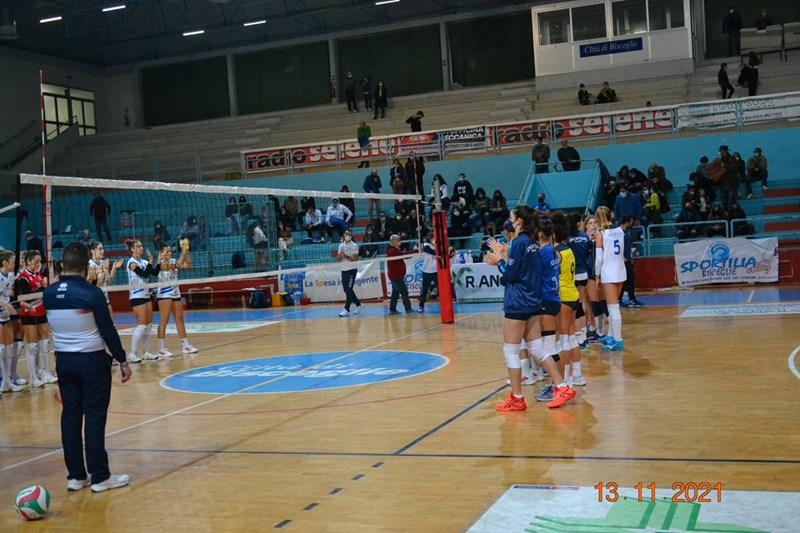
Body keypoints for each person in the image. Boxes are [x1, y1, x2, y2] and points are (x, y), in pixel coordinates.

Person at [43, 242, 131, 493]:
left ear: (62, 264)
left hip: (64, 362)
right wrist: (122, 360)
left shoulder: (48, 293)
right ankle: (100, 477)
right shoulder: (91, 293)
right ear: (85, 266)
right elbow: (107, 330)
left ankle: (76, 476)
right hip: (91, 362)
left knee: (70, 417)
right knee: (94, 416)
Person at [483, 206, 576, 410]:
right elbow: (523, 271)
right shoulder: (534, 243)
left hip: (518, 302)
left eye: (512, 217)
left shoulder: (519, 242)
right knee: (537, 348)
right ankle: (562, 386)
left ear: (519, 221)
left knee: (511, 350)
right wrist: (505, 255)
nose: (509, 221)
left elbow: (510, 275)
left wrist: (499, 261)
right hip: (533, 301)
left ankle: (517, 397)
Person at [15, 250, 55, 387]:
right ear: (28, 261)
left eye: (40, 261)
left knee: (45, 344)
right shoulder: (23, 277)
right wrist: (43, 287)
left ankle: (46, 372)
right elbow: (27, 297)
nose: (39, 264)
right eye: (36, 261)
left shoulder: (38, 275)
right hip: (29, 314)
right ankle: (33, 378)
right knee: (32, 347)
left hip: (41, 312)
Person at [155, 241, 198, 357]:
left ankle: (186, 346)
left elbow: (188, 265)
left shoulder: (174, 260)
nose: (169, 253)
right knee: (164, 320)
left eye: (170, 251)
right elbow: (177, 265)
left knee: (179, 319)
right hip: (164, 294)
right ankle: (161, 348)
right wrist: (182, 252)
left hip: (176, 294)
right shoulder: (160, 264)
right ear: (161, 253)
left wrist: (187, 251)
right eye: (167, 251)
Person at [594, 206, 626, 351]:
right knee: (615, 306)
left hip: (608, 272)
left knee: (613, 308)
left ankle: (617, 340)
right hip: (620, 270)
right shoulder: (620, 230)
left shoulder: (600, 233)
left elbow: (599, 259)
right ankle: (611, 335)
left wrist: (597, 275)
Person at [125, 239, 160, 363]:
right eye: (138, 246)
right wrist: (150, 262)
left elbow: (155, 273)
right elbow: (144, 274)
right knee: (142, 325)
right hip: (136, 296)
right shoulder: (131, 263)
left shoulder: (144, 262)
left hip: (145, 295)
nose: (141, 248)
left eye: (141, 246)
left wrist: (157, 260)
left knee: (149, 325)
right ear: (132, 249)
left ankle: (146, 351)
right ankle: (133, 353)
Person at [0, 250, 23, 394]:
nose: (15, 264)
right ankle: (3, 382)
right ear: (4, 262)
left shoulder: (10, 276)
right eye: (13, 262)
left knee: (9, 351)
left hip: (6, 315)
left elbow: (9, 296)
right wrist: (5, 304)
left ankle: (7, 382)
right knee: (1, 350)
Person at [87, 242, 123, 320]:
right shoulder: (90, 265)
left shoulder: (103, 263)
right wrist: (104, 269)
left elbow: (108, 282)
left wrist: (114, 268)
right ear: (92, 251)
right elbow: (97, 286)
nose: (102, 251)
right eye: (100, 249)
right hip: (95, 300)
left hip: (105, 299)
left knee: (112, 322)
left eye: (103, 249)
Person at [386, 234, 416, 315]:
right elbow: (404, 256)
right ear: (394, 241)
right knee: (404, 292)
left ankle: (392, 310)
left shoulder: (394, 249)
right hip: (395, 276)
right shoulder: (392, 251)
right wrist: (416, 251)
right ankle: (408, 309)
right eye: (399, 240)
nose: (400, 242)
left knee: (395, 293)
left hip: (395, 275)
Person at [618, 215, 643, 308]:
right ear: (627, 221)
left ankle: (628, 299)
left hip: (628, 259)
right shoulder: (619, 232)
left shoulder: (626, 232)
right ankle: (628, 299)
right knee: (625, 281)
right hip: (623, 261)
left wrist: (631, 254)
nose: (632, 223)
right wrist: (622, 257)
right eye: (631, 221)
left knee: (629, 280)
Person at [336, 229, 362, 317]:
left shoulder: (354, 246)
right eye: (347, 234)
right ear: (344, 235)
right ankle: (359, 304)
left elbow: (355, 259)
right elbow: (338, 259)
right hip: (343, 270)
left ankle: (347, 309)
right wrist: (340, 256)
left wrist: (346, 256)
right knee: (346, 290)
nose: (348, 236)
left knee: (349, 289)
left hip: (352, 270)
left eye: (350, 235)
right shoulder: (341, 245)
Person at [417, 232, 437, 313]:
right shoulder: (426, 246)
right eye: (432, 238)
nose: (434, 240)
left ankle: (444, 305)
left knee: (440, 288)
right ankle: (421, 306)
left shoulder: (437, 246)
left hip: (435, 270)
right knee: (425, 290)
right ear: (429, 239)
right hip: (427, 271)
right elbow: (433, 252)